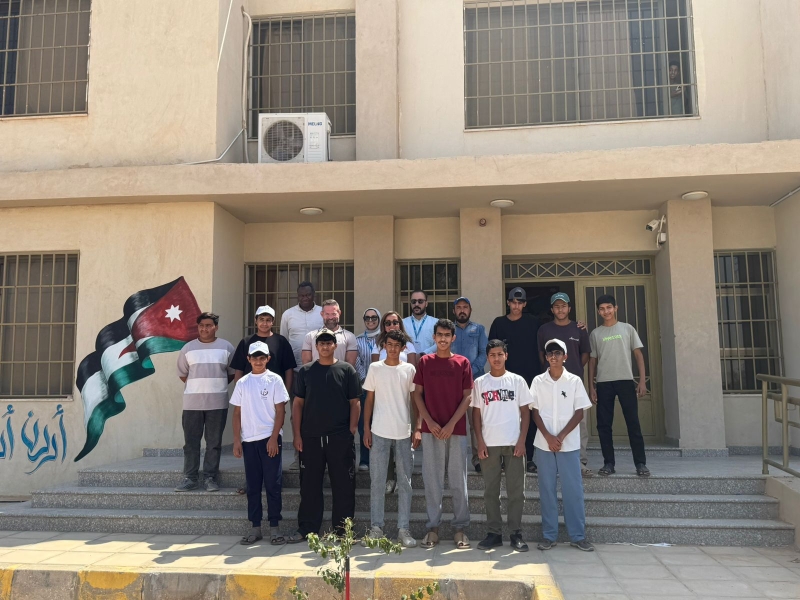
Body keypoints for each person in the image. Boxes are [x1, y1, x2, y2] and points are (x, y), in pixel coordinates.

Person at [288, 328, 362, 542]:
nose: (325, 346)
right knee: (309, 486)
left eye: (329, 343)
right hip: (310, 438)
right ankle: (307, 529)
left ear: (335, 346)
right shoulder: (306, 371)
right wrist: (297, 435)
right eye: (321, 343)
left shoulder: (347, 370)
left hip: (340, 438)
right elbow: (297, 404)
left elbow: (355, 402)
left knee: (344, 486)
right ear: (316, 346)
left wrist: (352, 429)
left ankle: (343, 531)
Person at [413, 319, 473, 549]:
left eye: (447, 335)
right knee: (432, 480)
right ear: (434, 337)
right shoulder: (425, 362)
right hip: (432, 429)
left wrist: (451, 424)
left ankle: (460, 528)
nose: (443, 339)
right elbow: (417, 394)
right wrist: (427, 422)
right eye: (439, 334)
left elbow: (468, 397)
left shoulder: (462, 363)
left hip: (455, 429)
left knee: (458, 480)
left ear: (453, 338)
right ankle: (433, 528)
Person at [531, 339, 593, 552]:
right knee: (547, 490)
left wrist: (561, 436)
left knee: (572, 490)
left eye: (557, 353)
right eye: (550, 353)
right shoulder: (538, 381)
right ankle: (549, 535)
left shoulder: (574, 381)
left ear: (565, 356)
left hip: (569, 444)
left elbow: (579, 412)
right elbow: (535, 412)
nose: (553, 357)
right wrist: (548, 437)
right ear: (546, 357)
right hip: (544, 443)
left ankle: (578, 536)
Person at [471, 339, 533, 552]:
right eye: (492, 355)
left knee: (516, 492)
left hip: (514, 443)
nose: (496, 358)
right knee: (491, 491)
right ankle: (494, 533)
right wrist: (479, 442)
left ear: (506, 355)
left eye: (499, 354)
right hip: (489, 444)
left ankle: (516, 533)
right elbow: (476, 415)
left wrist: (522, 440)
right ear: (487, 358)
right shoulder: (480, 383)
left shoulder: (517, 381)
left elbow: (526, 413)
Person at [361, 330, 418, 548]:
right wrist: (366, 428)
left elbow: (415, 401)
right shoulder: (375, 368)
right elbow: (369, 400)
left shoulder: (409, 369)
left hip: (403, 432)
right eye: (389, 344)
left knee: (405, 483)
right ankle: (376, 528)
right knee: (377, 481)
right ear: (384, 345)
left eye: (397, 345)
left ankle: (404, 529)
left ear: (403, 348)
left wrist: (417, 428)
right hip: (379, 431)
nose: (393, 348)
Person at [231, 341, 289, 546]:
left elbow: (281, 411)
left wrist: (273, 438)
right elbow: (237, 413)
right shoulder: (242, 383)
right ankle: (255, 527)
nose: (258, 361)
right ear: (248, 359)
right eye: (254, 357)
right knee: (253, 485)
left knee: (273, 484)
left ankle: (275, 527)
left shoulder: (275, 380)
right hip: (249, 441)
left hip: (269, 439)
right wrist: (237, 440)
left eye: (262, 357)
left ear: (268, 359)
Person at [588, 294, 650, 478]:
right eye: (602, 309)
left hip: (625, 381)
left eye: (609, 307)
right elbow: (592, 362)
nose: (606, 311)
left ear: (616, 308)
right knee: (604, 425)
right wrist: (591, 387)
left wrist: (642, 381)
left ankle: (640, 464)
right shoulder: (596, 334)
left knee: (633, 423)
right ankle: (608, 463)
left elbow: (638, 355)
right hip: (604, 383)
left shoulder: (627, 329)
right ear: (598, 311)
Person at [425, 297, 488, 473]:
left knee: (475, 422)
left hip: (473, 382)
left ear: (470, 310)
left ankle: (478, 459)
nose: (462, 310)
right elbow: (436, 349)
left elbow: (484, 353)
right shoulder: (447, 330)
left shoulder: (479, 329)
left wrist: (469, 371)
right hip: (450, 385)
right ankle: (447, 461)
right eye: (458, 307)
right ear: (454, 311)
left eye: (465, 307)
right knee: (449, 420)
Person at [175, 312, 235, 492]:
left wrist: (215, 386)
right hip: (192, 404)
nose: (204, 329)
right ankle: (190, 478)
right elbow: (183, 374)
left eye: (208, 325)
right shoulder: (188, 348)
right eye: (201, 325)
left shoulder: (226, 347)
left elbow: (231, 373)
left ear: (216, 327)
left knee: (214, 443)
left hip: (217, 403)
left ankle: (210, 478)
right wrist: (199, 386)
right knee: (191, 443)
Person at [537, 293, 592, 476]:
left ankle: (580, 461)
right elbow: (541, 354)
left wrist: (574, 369)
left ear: (569, 308)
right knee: (549, 418)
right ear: (552, 309)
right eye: (556, 306)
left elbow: (585, 353)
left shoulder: (579, 329)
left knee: (579, 421)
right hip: (549, 383)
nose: (560, 310)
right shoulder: (544, 330)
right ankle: (550, 458)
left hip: (573, 382)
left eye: (563, 306)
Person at [489, 287, 542, 474]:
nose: (516, 306)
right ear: (508, 303)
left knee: (529, 417)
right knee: (507, 417)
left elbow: (547, 340)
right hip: (504, 379)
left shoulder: (534, 322)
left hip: (530, 378)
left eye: (520, 302)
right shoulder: (499, 323)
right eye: (513, 302)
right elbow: (492, 350)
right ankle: (505, 458)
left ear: (524, 304)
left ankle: (529, 457)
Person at [372, 310, 417, 494]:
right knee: (386, 441)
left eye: (395, 322)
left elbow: (413, 371)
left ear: (400, 324)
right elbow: (375, 372)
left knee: (404, 442)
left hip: (404, 399)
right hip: (384, 401)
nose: (392, 325)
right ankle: (389, 477)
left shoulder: (409, 345)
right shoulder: (378, 345)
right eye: (388, 323)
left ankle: (402, 477)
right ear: (383, 326)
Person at [280, 282, 323, 470]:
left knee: (320, 414)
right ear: (297, 296)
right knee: (297, 415)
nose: (305, 298)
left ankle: (320, 457)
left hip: (320, 372)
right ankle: (299, 457)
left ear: (314, 295)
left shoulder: (322, 313)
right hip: (296, 373)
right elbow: (283, 342)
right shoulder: (288, 315)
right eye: (301, 295)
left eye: (308, 295)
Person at [232, 305, 296, 391]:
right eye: (261, 319)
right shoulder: (246, 342)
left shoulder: (281, 341)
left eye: (268, 320)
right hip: (250, 390)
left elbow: (288, 369)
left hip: (275, 391)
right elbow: (239, 369)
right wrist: (239, 392)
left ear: (273, 321)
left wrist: (286, 392)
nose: (264, 324)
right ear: (255, 320)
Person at [355, 307, 381, 472]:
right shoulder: (357, 340)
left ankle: (380, 459)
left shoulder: (385, 339)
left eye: (374, 318)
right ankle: (365, 459)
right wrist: (366, 381)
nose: (370, 321)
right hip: (364, 387)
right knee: (364, 425)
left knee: (381, 424)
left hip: (384, 389)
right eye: (367, 318)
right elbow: (356, 362)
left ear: (379, 319)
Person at [301, 299, 358, 366]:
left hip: (339, 373)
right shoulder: (310, 336)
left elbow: (350, 364)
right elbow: (306, 363)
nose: (330, 317)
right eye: (327, 314)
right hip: (315, 372)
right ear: (322, 314)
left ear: (339, 313)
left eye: (334, 314)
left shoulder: (349, 337)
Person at [403, 290, 436, 355]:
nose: (416, 304)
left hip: (428, 359)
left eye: (420, 301)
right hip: (407, 360)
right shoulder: (402, 323)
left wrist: (424, 353)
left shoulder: (435, 323)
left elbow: (439, 343)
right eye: (413, 301)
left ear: (426, 303)